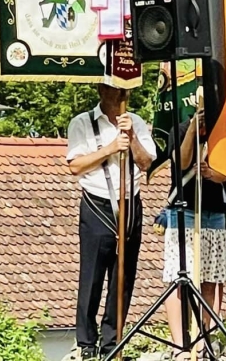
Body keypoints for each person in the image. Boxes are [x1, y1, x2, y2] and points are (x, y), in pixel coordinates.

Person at [66, 83, 156, 360]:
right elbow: (75, 166)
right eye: (113, 89)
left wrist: (132, 138)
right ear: (100, 90)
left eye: (122, 91)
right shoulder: (82, 123)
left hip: (130, 202)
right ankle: (87, 343)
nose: (119, 95)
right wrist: (110, 148)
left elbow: (146, 163)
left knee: (123, 275)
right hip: (97, 201)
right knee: (92, 275)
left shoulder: (136, 121)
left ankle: (112, 342)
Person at [163, 105, 226, 361]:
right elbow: (181, 162)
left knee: (211, 278)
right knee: (178, 278)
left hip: (213, 211)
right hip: (185, 212)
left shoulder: (221, 134)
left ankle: (205, 337)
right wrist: (193, 128)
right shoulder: (179, 129)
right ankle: (180, 344)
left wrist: (216, 175)